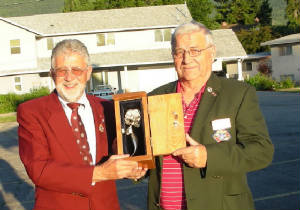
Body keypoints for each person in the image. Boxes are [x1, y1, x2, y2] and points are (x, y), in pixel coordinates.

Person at [147, 21, 274, 210]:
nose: (187, 59)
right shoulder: (156, 98)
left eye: (195, 50)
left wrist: (209, 157)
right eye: (179, 52)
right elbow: (148, 154)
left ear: (212, 52)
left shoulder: (238, 94)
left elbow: (261, 151)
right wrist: (137, 167)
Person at [17, 39, 147, 210]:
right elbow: (39, 169)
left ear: (88, 72)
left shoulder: (107, 109)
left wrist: (133, 167)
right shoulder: (32, 112)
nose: (69, 78)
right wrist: (99, 173)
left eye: (76, 70)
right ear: (51, 73)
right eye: (62, 70)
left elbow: (121, 149)